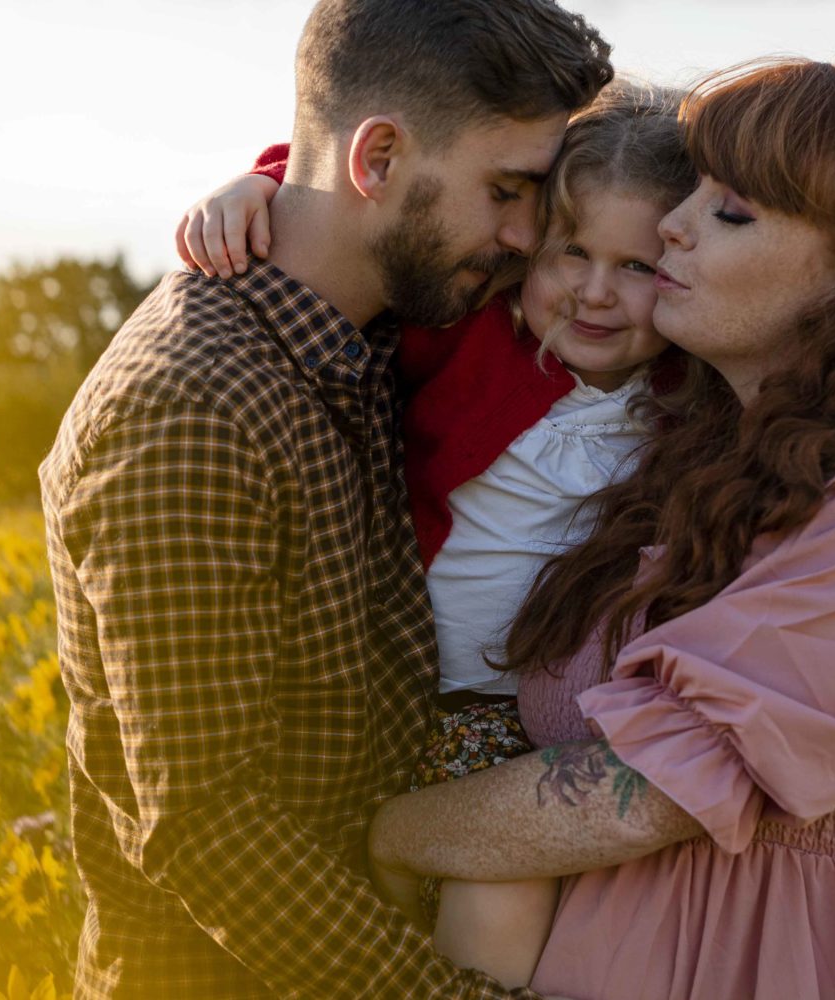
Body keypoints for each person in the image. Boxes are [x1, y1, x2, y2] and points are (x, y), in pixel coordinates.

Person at [357, 58, 835, 999]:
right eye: (690, 195)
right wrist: (270, 187)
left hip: (763, 963)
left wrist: (391, 836)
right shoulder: (688, 456)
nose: (673, 225)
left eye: (731, 213)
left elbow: (646, 795)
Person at [34, 1, 612, 996]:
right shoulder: (192, 409)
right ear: (377, 158)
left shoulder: (369, 340)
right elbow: (212, 831)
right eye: (505, 190)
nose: (525, 236)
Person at [179, 82, 697, 987]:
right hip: (414, 697)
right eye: (570, 251)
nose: (596, 293)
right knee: (454, 897)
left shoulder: (689, 398)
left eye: (639, 266)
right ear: (527, 243)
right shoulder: (470, 335)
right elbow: (347, 233)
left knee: (514, 903)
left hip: (553, 733)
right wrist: (257, 185)